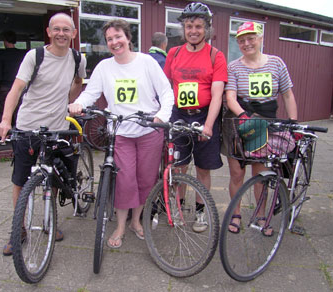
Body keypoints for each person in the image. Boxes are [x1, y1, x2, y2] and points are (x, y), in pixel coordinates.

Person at [68, 19, 174, 249]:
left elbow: (166, 92)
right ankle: (120, 225)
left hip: (149, 130)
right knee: (125, 180)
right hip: (120, 132)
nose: (115, 42)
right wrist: (77, 104)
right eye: (109, 39)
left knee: (146, 179)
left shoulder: (146, 62)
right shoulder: (104, 67)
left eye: (118, 37)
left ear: (128, 37)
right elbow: (91, 93)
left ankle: (137, 222)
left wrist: (163, 115)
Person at [0, 13, 87, 256]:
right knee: (20, 181)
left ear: (73, 34)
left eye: (66, 29)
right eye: (56, 29)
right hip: (28, 127)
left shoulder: (78, 58)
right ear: (48, 31)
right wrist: (6, 120)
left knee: (54, 176)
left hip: (57, 127)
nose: (61, 33)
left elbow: (78, 82)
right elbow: (16, 89)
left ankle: (49, 221)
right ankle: (19, 231)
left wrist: (68, 101)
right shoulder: (34, 56)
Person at [223, 21, 298, 235]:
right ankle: (235, 213)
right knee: (237, 173)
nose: (247, 43)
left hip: (266, 122)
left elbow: (287, 94)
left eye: (251, 38)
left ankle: (261, 214)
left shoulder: (276, 63)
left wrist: (292, 123)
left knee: (261, 173)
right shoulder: (234, 66)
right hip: (241, 122)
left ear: (260, 38)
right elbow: (230, 97)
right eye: (242, 40)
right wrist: (244, 116)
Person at [164, 2, 227, 232]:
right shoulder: (174, 53)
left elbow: (218, 95)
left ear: (206, 28)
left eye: (198, 26)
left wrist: (209, 125)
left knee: (202, 169)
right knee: (179, 168)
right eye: (189, 26)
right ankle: (179, 210)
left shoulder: (215, 56)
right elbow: (166, 87)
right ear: (183, 28)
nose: (193, 30)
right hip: (179, 115)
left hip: (204, 115)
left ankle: (201, 214)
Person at [0, 30, 25, 123]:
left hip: (5, 87)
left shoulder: (1, 56)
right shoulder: (22, 55)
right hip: (20, 87)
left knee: (3, 113)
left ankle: (4, 134)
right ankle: (19, 134)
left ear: (5, 41)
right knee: (19, 113)